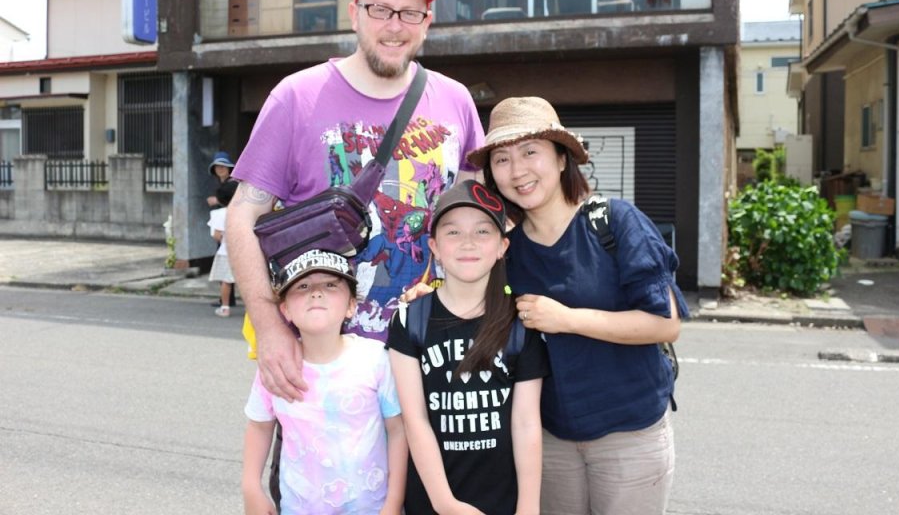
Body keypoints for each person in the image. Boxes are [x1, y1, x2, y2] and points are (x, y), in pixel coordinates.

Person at [227, 0, 485, 403]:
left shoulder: (456, 100)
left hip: (432, 350)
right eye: (380, 9)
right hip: (324, 356)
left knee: (430, 474)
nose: (394, 25)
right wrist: (269, 327)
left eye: (410, 13)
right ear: (354, 15)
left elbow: (475, 215)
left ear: (427, 22)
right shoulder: (297, 97)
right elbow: (243, 215)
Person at [467, 96, 689, 515]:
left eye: (530, 152)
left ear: (562, 158)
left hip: (629, 434)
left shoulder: (615, 222)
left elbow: (665, 324)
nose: (517, 170)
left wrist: (567, 319)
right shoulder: (508, 252)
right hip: (549, 439)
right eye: (502, 159)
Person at [387, 180, 549, 515]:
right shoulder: (409, 320)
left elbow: (525, 423)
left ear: (503, 246)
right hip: (433, 500)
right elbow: (415, 420)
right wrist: (445, 503)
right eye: (453, 232)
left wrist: (528, 508)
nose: (468, 244)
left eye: (482, 232)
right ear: (434, 245)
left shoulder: (520, 323)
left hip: (503, 500)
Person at [241, 246, 407, 515]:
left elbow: (398, 431)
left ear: (352, 305)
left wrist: (393, 503)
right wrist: (251, 487)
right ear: (285, 309)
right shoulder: (276, 365)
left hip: (370, 508)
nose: (316, 293)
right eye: (303, 286)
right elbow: (259, 427)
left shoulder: (375, 358)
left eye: (331, 285)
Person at [208, 151, 239, 309]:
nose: (220, 169)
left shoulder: (232, 184)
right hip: (225, 227)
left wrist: (217, 201)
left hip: (228, 229)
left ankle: (226, 301)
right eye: (217, 167)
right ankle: (227, 299)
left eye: (223, 166)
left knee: (227, 267)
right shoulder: (224, 184)